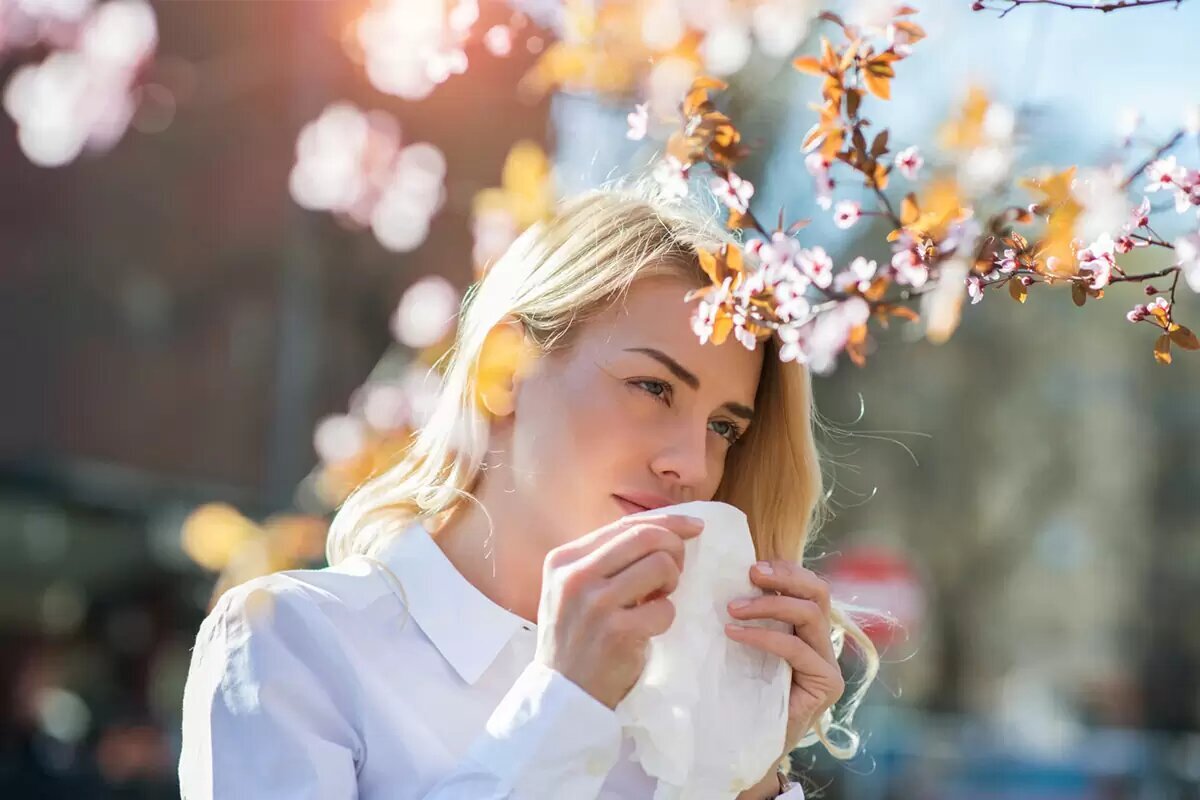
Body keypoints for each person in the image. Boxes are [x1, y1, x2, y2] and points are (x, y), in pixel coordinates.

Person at [178, 179, 879, 799]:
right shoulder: (293, 643)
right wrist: (564, 704)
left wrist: (746, 772)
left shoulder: (677, 712)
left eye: (725, 428)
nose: (691, 466)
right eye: (652, 387)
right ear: (506, 370)